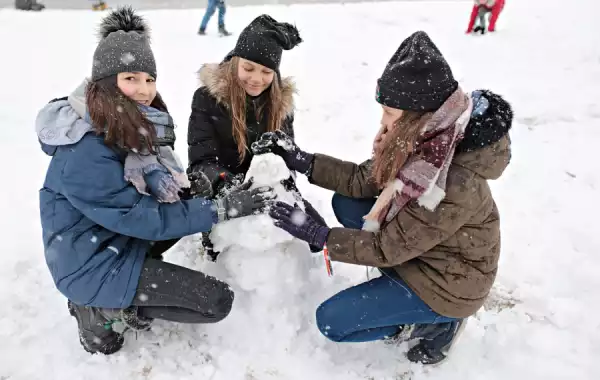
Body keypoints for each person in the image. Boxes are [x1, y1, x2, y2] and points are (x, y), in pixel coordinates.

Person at [257, 31, 513, 365]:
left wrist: (320, 236)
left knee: (334, 322)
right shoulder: (432, 137)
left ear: (417, 113)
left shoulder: (452, 179)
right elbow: (364, 179)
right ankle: (398, 290)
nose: (383, 121)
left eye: (390, 111)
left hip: (450, 284)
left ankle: (435, 326)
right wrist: (304, 161)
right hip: (426, 249)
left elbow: (385, 248)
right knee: (345, 203)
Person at [36, 7, 275, 356]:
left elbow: (155, 202)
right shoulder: (86, 149)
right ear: (105, 83)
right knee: (216, 301)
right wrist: (219, 208)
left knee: (183, 203)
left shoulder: (127, 125)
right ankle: (98, 311)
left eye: (149, 79)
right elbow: (145, 218)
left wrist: (202, 191)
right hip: (90, 265)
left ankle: (134, 283)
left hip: (111, 238)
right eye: (130, 78)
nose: (144, 90)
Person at [187, 14, 326, 260]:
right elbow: (200, 163)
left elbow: (288, 164)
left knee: (317, 237)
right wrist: (233, 188)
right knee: (226, 250)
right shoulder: (207, 99)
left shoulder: (280, 104)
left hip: (269, 187)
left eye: (265, 71)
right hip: (225, 193)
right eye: (248, 68)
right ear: (235, 63)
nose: (256, 79)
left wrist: (280, 177)